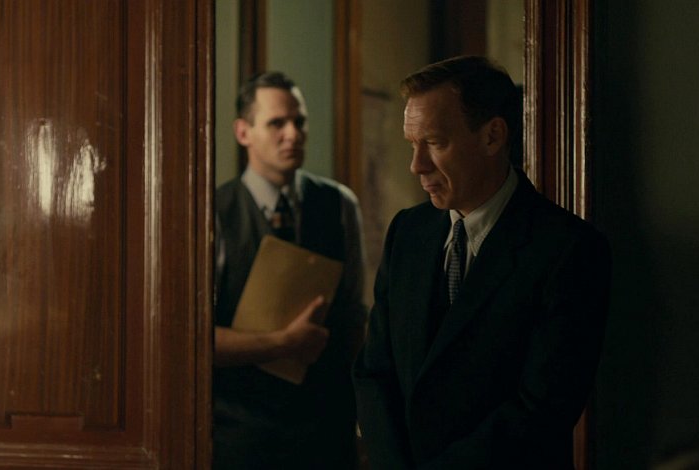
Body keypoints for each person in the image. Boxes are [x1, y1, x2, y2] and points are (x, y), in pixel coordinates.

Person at [352, 55, 611, 469]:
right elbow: (374, 372)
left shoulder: (567, 249)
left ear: (492, 136)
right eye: (412, 145)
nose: (416, 165)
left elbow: (541, 409)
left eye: (434, 143)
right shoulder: (407, 232)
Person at [213, 72, 367, 469]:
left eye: (299, 121)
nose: (293, 134)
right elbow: (195, 339)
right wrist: (283, 343)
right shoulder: (213, 213)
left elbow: (353, 313)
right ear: (243, 132)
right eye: (277, 123)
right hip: (241, 434)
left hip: (326, 431)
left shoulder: (339, 204)